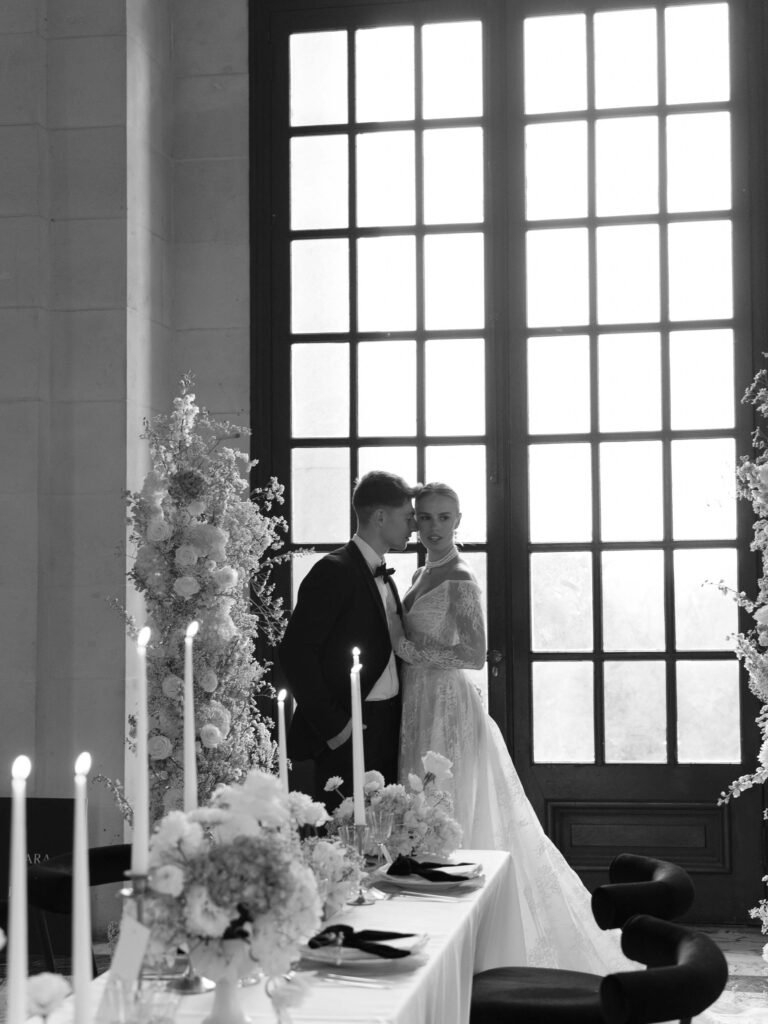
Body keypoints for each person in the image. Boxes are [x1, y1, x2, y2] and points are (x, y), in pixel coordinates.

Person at [392, 482, 634, 974]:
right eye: (425, 518)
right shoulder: (421, 571)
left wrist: (411, 651)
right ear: (415, 523)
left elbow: (476, 654)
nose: (434, 527)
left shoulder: (460, 577)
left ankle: (468, 952)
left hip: (447, 708)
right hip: (418, 703)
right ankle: (430, 940)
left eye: (444, 517)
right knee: (421, 809)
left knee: (450, 811)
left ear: (459, 520)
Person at [279, 470, 415, 805]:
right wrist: (338, 728)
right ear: (380, 517)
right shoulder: (333, 570)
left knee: (386, 837)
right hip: (350, 728)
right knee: (348, 839)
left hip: (388, 724)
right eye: (407, 517)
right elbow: (296, 654)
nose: (413, 526)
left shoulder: (384, 573)